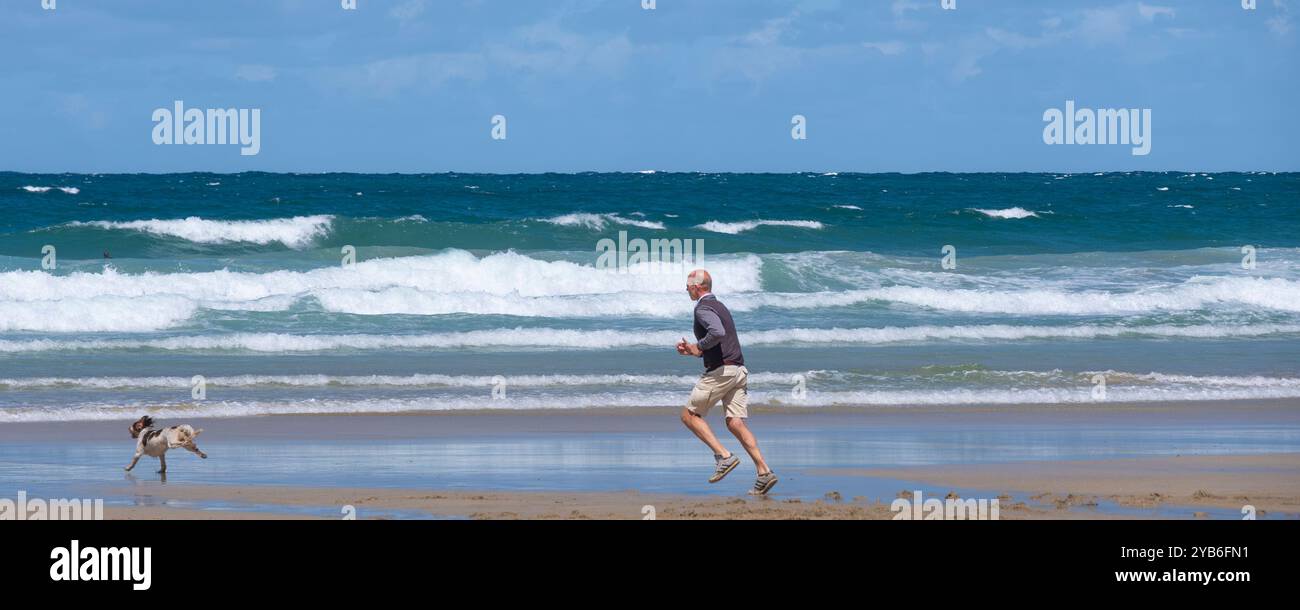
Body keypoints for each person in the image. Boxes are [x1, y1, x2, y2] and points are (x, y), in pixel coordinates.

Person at [676, 269, 777, 495]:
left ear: (697, 286)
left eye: (688, 285)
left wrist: (699, 346)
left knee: (689, 416)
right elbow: (722, 342)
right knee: (735, 423)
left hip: (722, 372)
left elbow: (717, 332)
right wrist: (696, 351)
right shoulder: (720, 306)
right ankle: (764, 472)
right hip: (738, 370)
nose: (686, 289)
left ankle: (723, 456)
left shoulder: (702, 308)